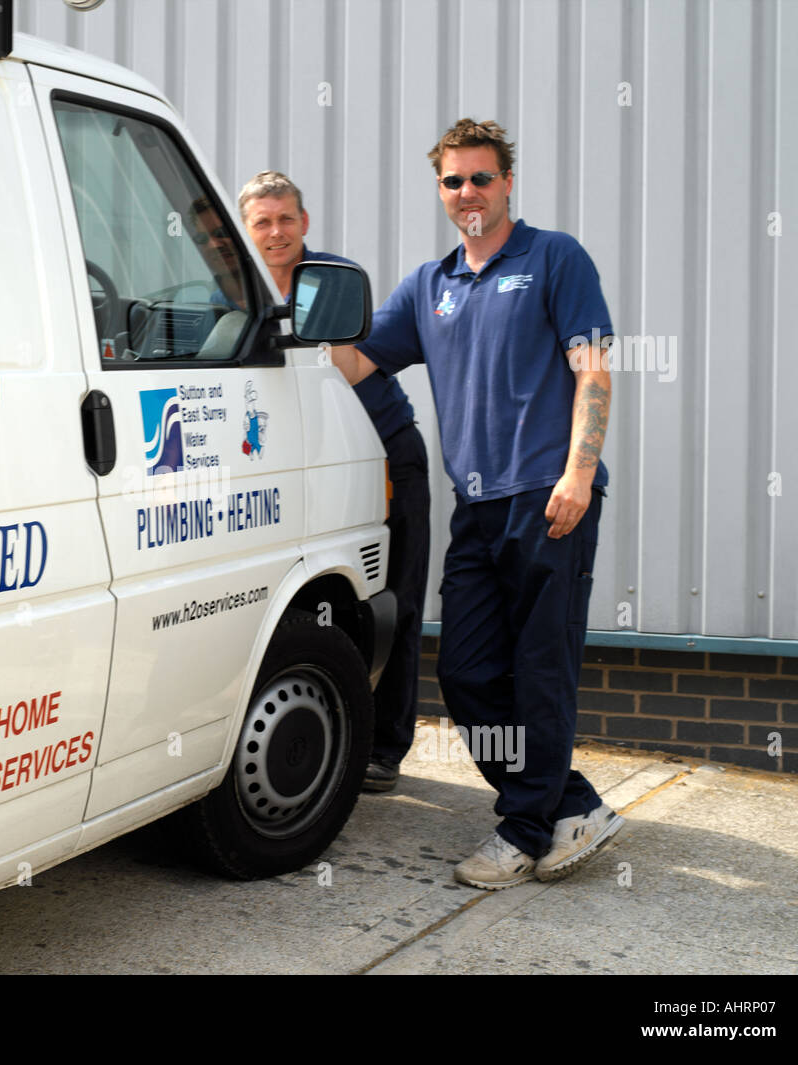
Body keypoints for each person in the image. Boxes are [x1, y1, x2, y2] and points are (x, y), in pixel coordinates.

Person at [329, 120, 623, 889]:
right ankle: (571, 802)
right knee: (464, 672)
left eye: (481, 178)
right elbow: (357, 358)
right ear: (440, 190)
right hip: (477, 508)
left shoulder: (554, 258)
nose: (468, 193)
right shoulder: (431, 286)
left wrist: (579, 475)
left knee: (540, 668)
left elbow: (594, 373)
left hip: (548, 498)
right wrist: (296, 305)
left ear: (507, 182)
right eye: (454, 181)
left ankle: (526, 828)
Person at [239, 170, 430, 794]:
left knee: (394, 604)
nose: (276, 233)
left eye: (286, 219)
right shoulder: (231, 290)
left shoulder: (332, 281)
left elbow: (345, 370)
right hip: (302, 465)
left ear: (305, 223)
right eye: (262, 222)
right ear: (246, 229)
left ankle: (385, 749)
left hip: (383, 455)